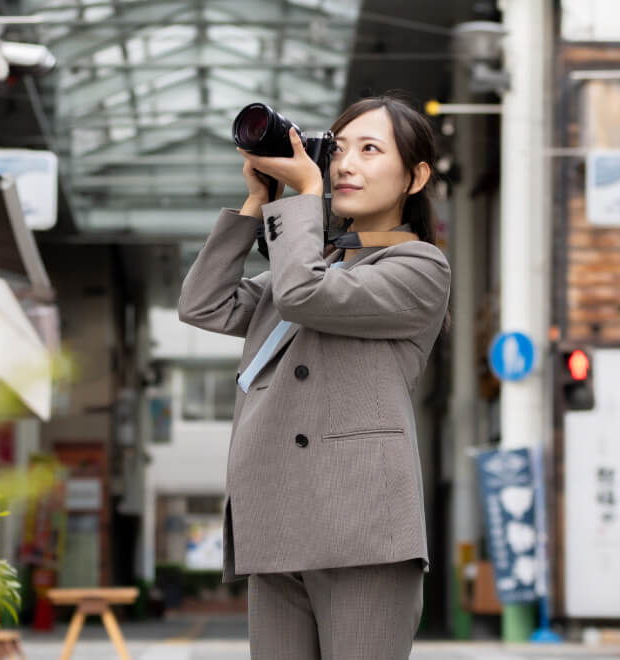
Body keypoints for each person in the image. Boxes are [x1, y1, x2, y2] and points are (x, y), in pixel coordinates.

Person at [177, 93, 451, 660]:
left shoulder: (420, 267)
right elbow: (203, 304)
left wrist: (305, 197)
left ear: (415, 176)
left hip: (365, 529)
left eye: (370, 150)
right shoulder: (313, 261)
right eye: (340, 148)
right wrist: (258, 201)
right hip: (275, 518)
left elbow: (305, 296)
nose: (345, 164)